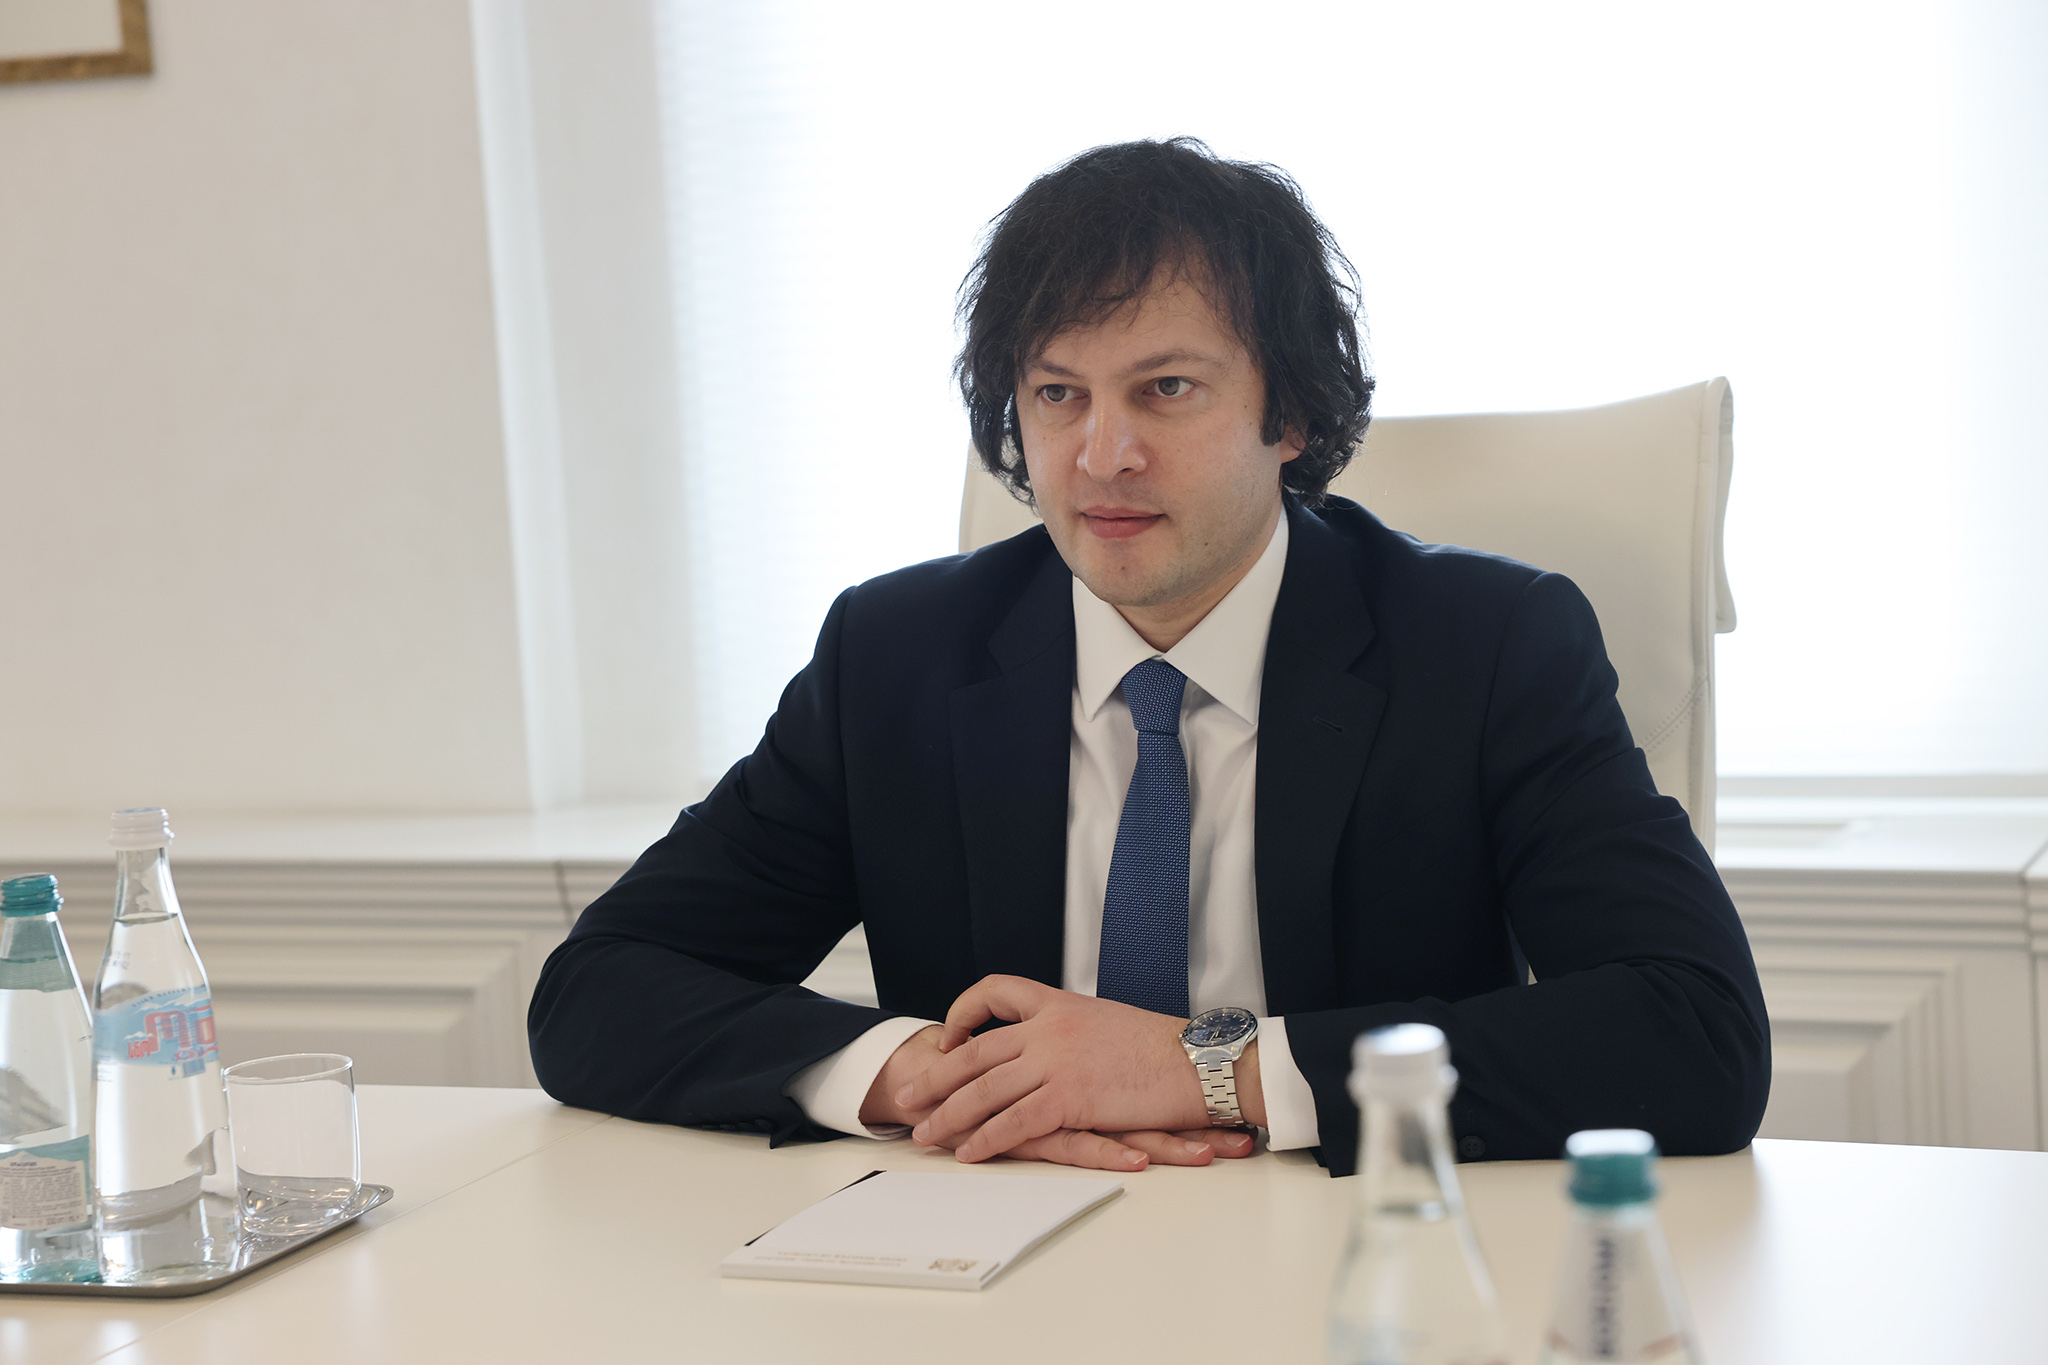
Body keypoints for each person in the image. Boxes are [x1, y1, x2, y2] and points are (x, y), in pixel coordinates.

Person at [527, 138, 1769, 1177]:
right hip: (989, 1266)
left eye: (1165, 389)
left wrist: (1200, 1070)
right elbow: (600, 988)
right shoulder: (894, 657)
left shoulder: (1488, 645)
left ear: (1288, 413)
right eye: (1056, 394)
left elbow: (1694, 1034)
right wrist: (914, 1073)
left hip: (1347, 1259)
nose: (1099, 456)